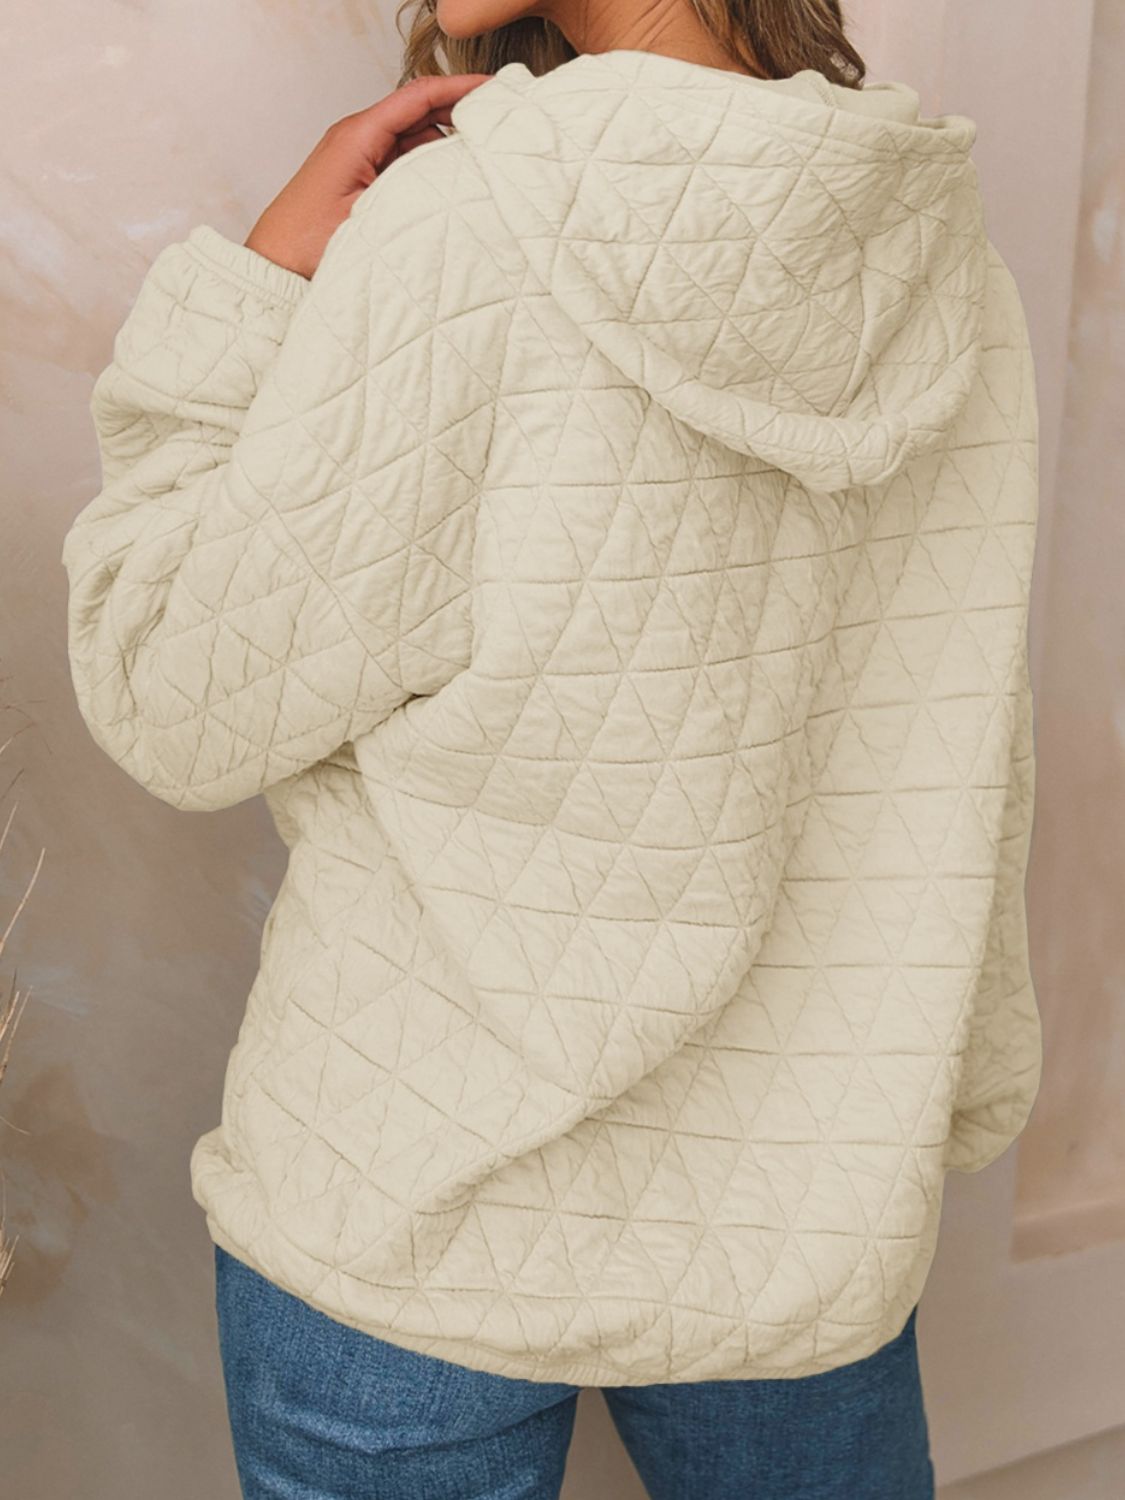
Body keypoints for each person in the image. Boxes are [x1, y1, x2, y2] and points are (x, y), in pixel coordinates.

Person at [60, 0, 1044, 1494]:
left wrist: (251, 290)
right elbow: (964, 749)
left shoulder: (460, 228)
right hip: (803, 1208)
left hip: (414, 1204)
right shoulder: (938, 256)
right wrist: (937, 1097)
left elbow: (171, 695)